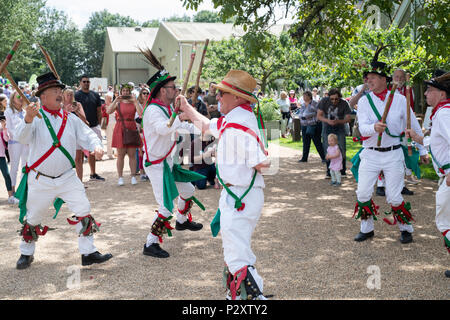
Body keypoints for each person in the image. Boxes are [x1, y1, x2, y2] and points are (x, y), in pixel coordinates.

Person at [179, 69, 271, 300]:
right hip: (238, 193)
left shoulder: (238, 126)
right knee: (237, 249)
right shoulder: (235, 119)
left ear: (237, 98)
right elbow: (209, 126)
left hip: (241, 194)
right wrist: (187, 109)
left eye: (222, 93)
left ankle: (250, 297)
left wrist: (257, 155)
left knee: (235, 252)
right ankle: (241, 296)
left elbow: (262, 162)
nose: (217, 97)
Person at [14, 72, 112, 269]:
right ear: (42, 97)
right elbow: (21, 137)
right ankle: (26, 253)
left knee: (83, 210)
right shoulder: (35, 118)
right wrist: (27, 119)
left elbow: (88, 135)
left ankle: (88, 252)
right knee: (33, 217)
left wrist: (96, 146)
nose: (60, 94)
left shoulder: (70, 118)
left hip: (68, 177)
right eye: (54, 91)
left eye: (60, 90)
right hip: (40, 180)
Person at [352, 52, 428, 244]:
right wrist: (373, 128)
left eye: (373, 78)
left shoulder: (400, 100)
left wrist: (423, 150)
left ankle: (406, 228)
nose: (369, 80)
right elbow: (362, 128)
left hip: (393, 152)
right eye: (367, 78)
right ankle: (367, 229)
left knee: (394, 196)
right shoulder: (363, 101)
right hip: (370, 154)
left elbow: (414, 127)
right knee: (362, 193)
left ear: (384, 79)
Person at [140, 58, 205, 259]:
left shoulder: (166, 108)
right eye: (172, 87)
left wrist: (204, 129)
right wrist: (179, 114)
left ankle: (182, 220)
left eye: (176, 87)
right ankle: (150, 243)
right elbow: (162, 129)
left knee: (188, 189)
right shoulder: (152, 110)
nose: (176, 90)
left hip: (168, 161)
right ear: (162, 91)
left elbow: (179, 127)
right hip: (156, 165)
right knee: (166, 206)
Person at [406, 70, 450, 278]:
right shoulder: (442, 112)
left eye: (430, 90)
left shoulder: (444, 113)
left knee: (445, 223)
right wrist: (417, 137)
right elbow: (438, 144)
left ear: (442, 94)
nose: (425, 94)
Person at [107, 84, 143, 186]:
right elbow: (108, 111)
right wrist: (116, 100)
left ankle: (132, 176)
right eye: (124, 91)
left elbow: (141, 113)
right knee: (121, 155)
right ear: (121, 92)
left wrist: (135, 101)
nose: (125, 93)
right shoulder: (118, 102)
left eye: (127, 91)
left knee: (132, 154)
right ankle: (120, 177)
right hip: (120, 128)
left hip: (131, 126)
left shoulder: (134, 102)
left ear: (130, 92)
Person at [75, 75, 105, 181]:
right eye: (84, 81)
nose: (86, 83)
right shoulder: (76, 95)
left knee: (93, 151)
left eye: (88, 81)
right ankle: (80, 179)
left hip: (93, 126)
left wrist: (98, 124)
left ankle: (93, 173)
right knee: (80, 155)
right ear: (80, 83)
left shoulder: (95, 95)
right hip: (80, 128)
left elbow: (99, 111)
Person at [317, 88, 351, 177]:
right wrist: (327, 121)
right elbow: (319, 116)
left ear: (339, 97)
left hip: (339, 128)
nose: (334, 101)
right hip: (327, 128)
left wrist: (338, 121)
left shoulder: (344, 103)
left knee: (341, 148)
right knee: (327, 148)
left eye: (336, 99)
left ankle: (342, 170)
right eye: (332, 99)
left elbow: (348, 118)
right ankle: (329, 171)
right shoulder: (324, 101)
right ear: (329, 97)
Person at [4, 90, 29, 196]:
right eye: (18, 96)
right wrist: (19, 137)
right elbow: (9, 128)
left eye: (22, 96)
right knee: (14, 166)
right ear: (12, 98)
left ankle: (22, 190)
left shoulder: (24, 112)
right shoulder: (8, 111)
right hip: (15, 143)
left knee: (25, 166)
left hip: (25, 143)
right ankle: (12, 191)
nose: (20, 98)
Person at [62, 88, 89, 181]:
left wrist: (76, 111)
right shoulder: (60, 106)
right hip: (64, 134)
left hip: (76, 133)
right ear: (63, 95)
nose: (69, 97)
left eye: (71, 95)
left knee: (78, 159)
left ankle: (80, 181)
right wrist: (65, 110)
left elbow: (84, 120)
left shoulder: (77, 104)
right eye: (67, 95)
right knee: (65, 158)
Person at [297, 91, 325, 162]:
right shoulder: (303, 104)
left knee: (317, 142)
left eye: (305, 96)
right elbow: (301, 113)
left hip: (314, 125)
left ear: (309, 96)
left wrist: (315, 120)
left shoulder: (315, 103)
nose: (304, 98)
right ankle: (304, 158)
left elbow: (320, 113)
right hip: (304, 125)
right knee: (305, 142)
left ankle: (324, 157)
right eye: (303, 96)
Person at [0, 97, 18, 204]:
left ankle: (11, 196)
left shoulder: (2, 125)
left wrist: (4, 127)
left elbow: (6, 139)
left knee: (6, 174)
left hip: (1, 154)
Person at [104, 91, 116, 159]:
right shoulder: (103, 106)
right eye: (108, 98)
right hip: (108, 124)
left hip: (115, 123)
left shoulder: (114, 105)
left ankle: (116, 152)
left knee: (116, 138)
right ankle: (109, 153)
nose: (110, 100)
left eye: (110, 98)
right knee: (109, 139)